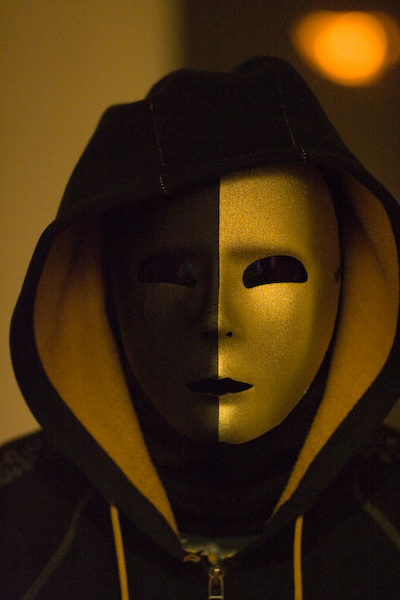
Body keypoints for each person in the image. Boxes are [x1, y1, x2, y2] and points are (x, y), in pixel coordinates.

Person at [2, 56, 400, 599]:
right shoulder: (16, 520)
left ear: (345, 280)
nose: (216, 320)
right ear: (106, 288)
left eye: (269, 271)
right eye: (171, 272)